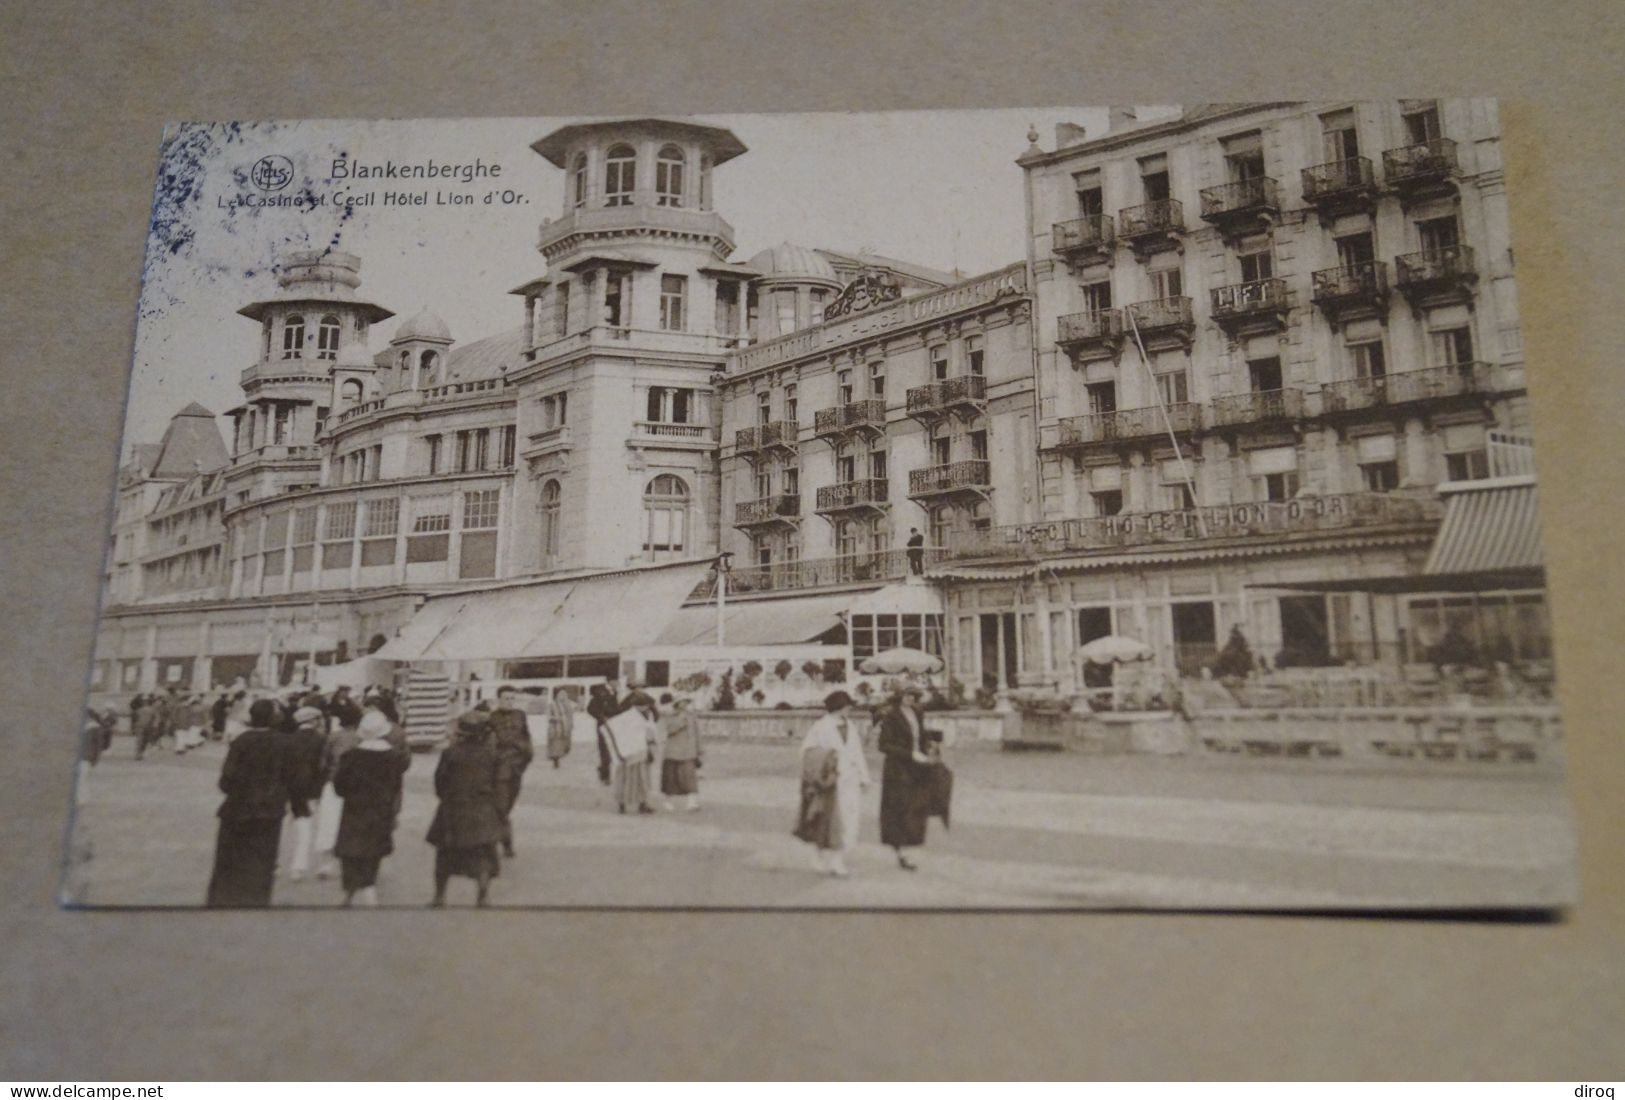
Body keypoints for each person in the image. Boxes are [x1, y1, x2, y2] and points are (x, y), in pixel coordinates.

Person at [205, 699, 297, 907]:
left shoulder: (241, 741)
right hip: (269, 812)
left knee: (228, 864)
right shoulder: (285, 743)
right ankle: (256, 903)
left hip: (237, 809)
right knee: (262, 864)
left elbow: (226, 781)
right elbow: (291, 778)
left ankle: (221, 902)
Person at [330, 707, 410, 907]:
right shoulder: (393, 758)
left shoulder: (350, 757)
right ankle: (369, 886)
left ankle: (349, 891)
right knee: (373, 849)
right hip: (380, 808)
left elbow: (339, 786)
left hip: (354, 808)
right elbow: (395, 787)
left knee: (350, 849)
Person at [426, 711, 505, 907]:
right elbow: (500, 784)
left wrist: (448, 798)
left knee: (444, 856)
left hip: (453, 808)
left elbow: (439, 782)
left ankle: (439, 896)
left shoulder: (450, 753)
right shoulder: (493, 755)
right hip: (482, 808)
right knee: (483, 855)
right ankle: (483, 896)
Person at [795, 691, 871, 876]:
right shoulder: (821, 726)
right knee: (828, 821)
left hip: (850, 780)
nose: (850, 708)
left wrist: (864, 777)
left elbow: (857, 752)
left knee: (849, 820)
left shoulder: (850, 726)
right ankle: (819, 856)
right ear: (838, 706)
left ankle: (837, 860)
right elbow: (806, 751)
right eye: (847, 705)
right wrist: (827, 760)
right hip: (829, 783)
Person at [876, 685, 942, 871]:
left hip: (916, 767)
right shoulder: (891, 715)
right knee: (901, 807)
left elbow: (919, 736)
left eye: (913, 695)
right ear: (899, 697)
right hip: (897, 769)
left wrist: (930, 744)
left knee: (914, 806)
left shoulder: (917, 713)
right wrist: (910, 754)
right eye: (906, 695)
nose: (910, 699)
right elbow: (884, 745)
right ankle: (902, 850)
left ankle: (907, 845)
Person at [312, 696, 364, 880]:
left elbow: (323, 763)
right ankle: (351, 863)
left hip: (333, 783)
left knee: (329, 824)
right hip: (357, 787)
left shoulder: (332, 737)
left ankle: (326, 864)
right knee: (352, 824)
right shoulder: (361, 738)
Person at [280, 706, 328, 883]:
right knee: (305, 829)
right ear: (314, 721)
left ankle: (274, 863)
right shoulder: (321, 740)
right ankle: (298, 868)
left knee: (283, 826)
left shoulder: (287, 740)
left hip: (287, 788)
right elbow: (323, 766)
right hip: (310, 789)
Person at [487, 685, 534, 858]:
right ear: (498, 699)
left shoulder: (520, 715)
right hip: (499, 771)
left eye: (512, 698)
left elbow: (527, 738)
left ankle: (496, 836)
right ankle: (506, 844)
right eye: (506, 698)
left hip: (517, 769)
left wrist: (525, 760)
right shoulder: (491, 719)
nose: (509, 701)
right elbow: (488, 745)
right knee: (501, 808)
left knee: (507, 807)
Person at [610, 681, 657, 814]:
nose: (646, 708)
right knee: (629, 778)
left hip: (640, 751)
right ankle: (623, 804)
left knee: (641, 778)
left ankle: (641, 803)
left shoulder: (648, 715)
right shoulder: (628, 716)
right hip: (630, 751)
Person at [659, 696, 703, 812]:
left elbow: (697, 733)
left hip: (688, 751)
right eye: (682, 702)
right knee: (671, 778)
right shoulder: (670, 715)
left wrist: (699, 749)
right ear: (677, 704)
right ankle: (668, 801)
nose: (684, 704)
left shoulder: (692, 716)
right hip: (673, 751)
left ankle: (692, 802)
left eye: (686, 702)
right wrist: (680, 722)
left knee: (689, 777)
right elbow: (669, 730)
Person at [585, 683, 616, 786]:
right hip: (603, 725)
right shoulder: (600, 691)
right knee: (605, 751)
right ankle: (606, 775)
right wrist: (600, 716)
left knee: (610, 751)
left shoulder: (615, 692)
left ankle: (603, 769)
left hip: (614, 725)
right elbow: (590, 708)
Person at [546, 688, 576, 768]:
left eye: (563, 694)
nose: (562, 696)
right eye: (560, 694)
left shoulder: (565, 704)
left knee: (563, 744)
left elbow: (570, 713)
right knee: (556, 744)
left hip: (563, 727)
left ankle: (558, 758)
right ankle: (556, 761)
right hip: (555, 727)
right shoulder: (552, 704)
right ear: (556, 695)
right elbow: (549, 716)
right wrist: (558, 718)